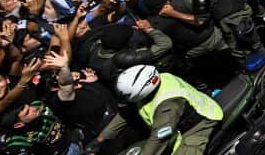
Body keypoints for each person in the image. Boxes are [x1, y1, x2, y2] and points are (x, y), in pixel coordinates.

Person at [92, 65, 222, 155]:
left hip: (197, 127)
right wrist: (101, 138)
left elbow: (158, 139)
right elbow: (126, 112)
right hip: (179, 121)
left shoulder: (167, 106)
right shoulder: (157, 79)